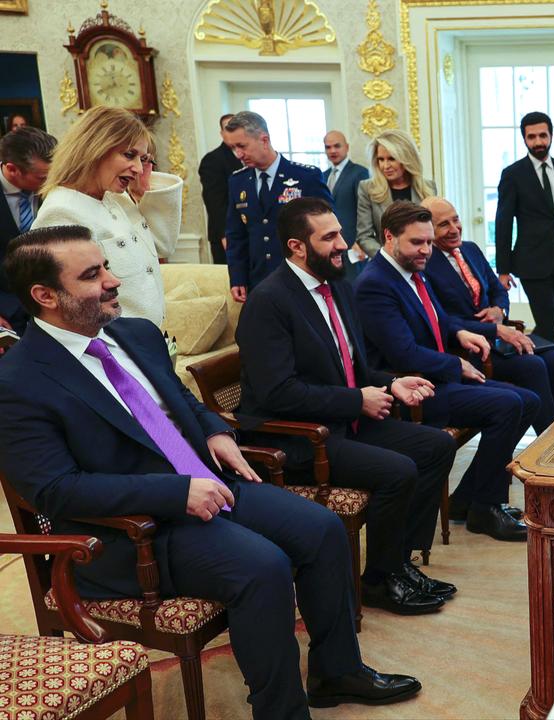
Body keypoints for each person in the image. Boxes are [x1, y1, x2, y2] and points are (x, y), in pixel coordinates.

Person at [0, 225, 423, 718]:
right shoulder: (19, 382)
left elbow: (180, 401)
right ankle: (281, 711)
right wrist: (176, 491)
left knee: (323, 529)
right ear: (45, 295)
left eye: (106, 266)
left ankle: (336, 670)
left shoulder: (133, 334)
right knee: (263, 566)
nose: (113, 281)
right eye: (93, 275)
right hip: (132, 533)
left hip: (208, 486)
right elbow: (56, 491)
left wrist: (214, 430)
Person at [236, 196, 458, 615]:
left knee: (436, 447)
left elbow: (352, 367)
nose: (343, 244)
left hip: (341, 419)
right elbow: (276, 393)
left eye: (340, 232)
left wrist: (392, 382)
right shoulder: (270, 302)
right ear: (297, 247)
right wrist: (357, 400)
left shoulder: (337, 284)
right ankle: (377, 580)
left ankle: (397, 564)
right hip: (300, 438)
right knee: (398, 470)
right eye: (330, 237)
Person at [355, 201, 537, 542]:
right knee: (510, 404)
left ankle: (468, 499)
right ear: (389, 237)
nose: (427, 250)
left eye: (428, 241)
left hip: (436, 376)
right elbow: (403, 354)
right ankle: (486, 505)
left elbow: (437, 319)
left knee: (528, 399)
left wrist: (459, 333)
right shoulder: (375, 284)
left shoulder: (411, 270)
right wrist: (456, 363)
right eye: (417, 243)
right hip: (412, 390)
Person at [424, 196, 554, 434]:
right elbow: (442, 320)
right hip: (471, 350)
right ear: (428, 229)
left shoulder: (470, 249)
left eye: (456, 220)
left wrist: (499, 311)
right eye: (444, 224)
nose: (454, 229)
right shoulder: (425, 262)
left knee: (553, 357)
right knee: (533, 365)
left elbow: (497, 289)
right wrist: (494, 329)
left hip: (500, 342)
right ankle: (550, 443)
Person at [33, 106, 180, 328]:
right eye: (130, 155)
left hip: (149, 340)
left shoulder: (116, 199)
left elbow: (164, 245)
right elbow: (71, 307)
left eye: (143, 159)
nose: (139, 169)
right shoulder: (61, 211)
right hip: (119, 349)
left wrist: (145, 192)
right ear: (95, 148)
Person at [495, 111, 554, 344]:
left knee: (553, 323)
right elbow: (503, 223)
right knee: (548, 322)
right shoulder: (513, 175)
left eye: (543, 136)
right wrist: (503, 270)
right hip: (531, 262)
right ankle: (553, 372)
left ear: (551, 136)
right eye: (532, 137)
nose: (538, 142)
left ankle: (531, 357)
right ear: (524, 139)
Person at [223, 110, 333, 301]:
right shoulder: (238, 181)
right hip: (258, 280)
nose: (238, 154)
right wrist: (237, 277)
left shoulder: (305, 177)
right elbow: (236, 235)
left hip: (303, 278)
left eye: (242, 146)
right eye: (233, 148)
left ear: (264, 140)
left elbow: (329, 229)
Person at [0, 126, 55, 337]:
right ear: (13, 169)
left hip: (56, 307)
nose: (51, 182)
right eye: (42, 177)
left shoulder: (57, 188)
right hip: (9, 313)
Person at [355, 129, 437, 265]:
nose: (385, 166)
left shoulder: (428, 188)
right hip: (387, 265)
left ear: (406, 158)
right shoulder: (367, 188)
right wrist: (390, 258)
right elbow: (364, 236)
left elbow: (434, 230)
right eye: (381, 159)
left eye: (391, 159)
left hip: (425, 262)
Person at [322, 130, 371, 279]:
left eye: (337, 146)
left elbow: (364, 211)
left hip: (353, 246)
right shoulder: (323, 176)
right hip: (329, 246)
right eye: (328, 147)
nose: (332, 151)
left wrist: (361, 242)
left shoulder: (360, 173)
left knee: (354, 289)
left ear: (347, 147)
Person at [197, 113, 241, 264]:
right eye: (229, 128)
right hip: (226, 234)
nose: (233, 131)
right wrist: (225, 234)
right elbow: (214, 202)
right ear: (222, 133)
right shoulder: (212, 160)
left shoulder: (249, 156)